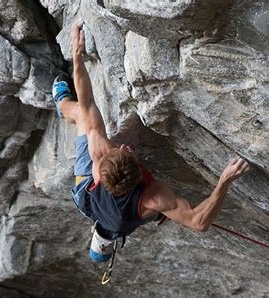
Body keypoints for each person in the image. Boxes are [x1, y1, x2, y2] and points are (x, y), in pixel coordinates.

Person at [52, 21, 250, 262]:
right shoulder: (150, 194)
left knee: (86, 117)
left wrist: (77, 55)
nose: (124, 147)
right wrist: (224, 181)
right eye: (125, 151)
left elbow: (88, 101)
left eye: (122, 151)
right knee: (81, 115)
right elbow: (197, 223)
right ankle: (61, 103)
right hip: (105, 204)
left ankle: (62, 104)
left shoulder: (104, 159)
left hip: (92, 202)